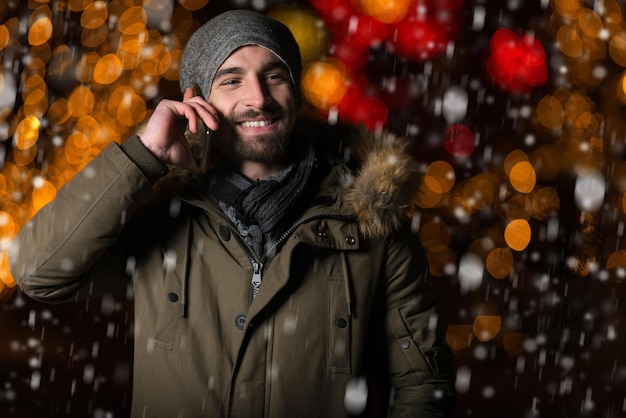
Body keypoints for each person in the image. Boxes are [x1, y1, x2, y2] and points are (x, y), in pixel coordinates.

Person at [10, 9, 455, 418]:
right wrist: (144, 155)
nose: (257, 98)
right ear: (196, 100)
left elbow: (421, 386)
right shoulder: (158, 214)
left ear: (296, 91)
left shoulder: (372, 223)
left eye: (274, 76)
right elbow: (39, 272)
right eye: (231, 80)